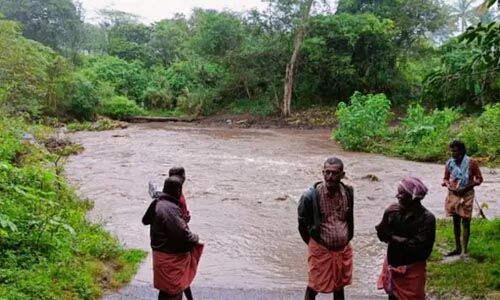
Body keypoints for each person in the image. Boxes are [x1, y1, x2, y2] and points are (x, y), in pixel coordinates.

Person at [298, 157, 354, 300]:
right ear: (322, 173)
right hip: (321, 249)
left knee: (339, 285)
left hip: (342, 249)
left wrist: (347, 237)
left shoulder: (348, 192)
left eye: (334, 173)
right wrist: (314, 244)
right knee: (314, 285)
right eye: (326, 172)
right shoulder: (311, 196)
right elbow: (302, 225)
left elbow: (348, 218)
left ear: (342, 175)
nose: (329, 177)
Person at [142, 176, 203, 300]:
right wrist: (196, 238)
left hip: (160, 256)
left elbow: (145, 220)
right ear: (178, 191)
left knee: (165, 291)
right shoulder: (170, 209)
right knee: (174, 291)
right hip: (171, 258)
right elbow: (184, 236)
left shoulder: (157, 203)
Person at [376, 176, 436, 300]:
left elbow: (422, 251)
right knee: (392, 296)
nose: (397, 196)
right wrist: (386, 214)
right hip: (393, 266)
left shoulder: (427, 218)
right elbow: (382, 235)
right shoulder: (393, 212)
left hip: (413, 271)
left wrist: (393, 238)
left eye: (401, 193)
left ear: (413, 197)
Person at [441, 140, 483, 256]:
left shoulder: (472, 163)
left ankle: (464, 250)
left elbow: (479, 179)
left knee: (466, 221)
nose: (452, 153)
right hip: (454, 194)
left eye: (454, 150)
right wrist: (448, 185)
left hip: (467, 195)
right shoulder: (450, 163)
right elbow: (445, 178)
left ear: (461, 151)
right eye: (451, 150)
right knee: (455, 221)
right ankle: (457, 247)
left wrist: (469, 186)